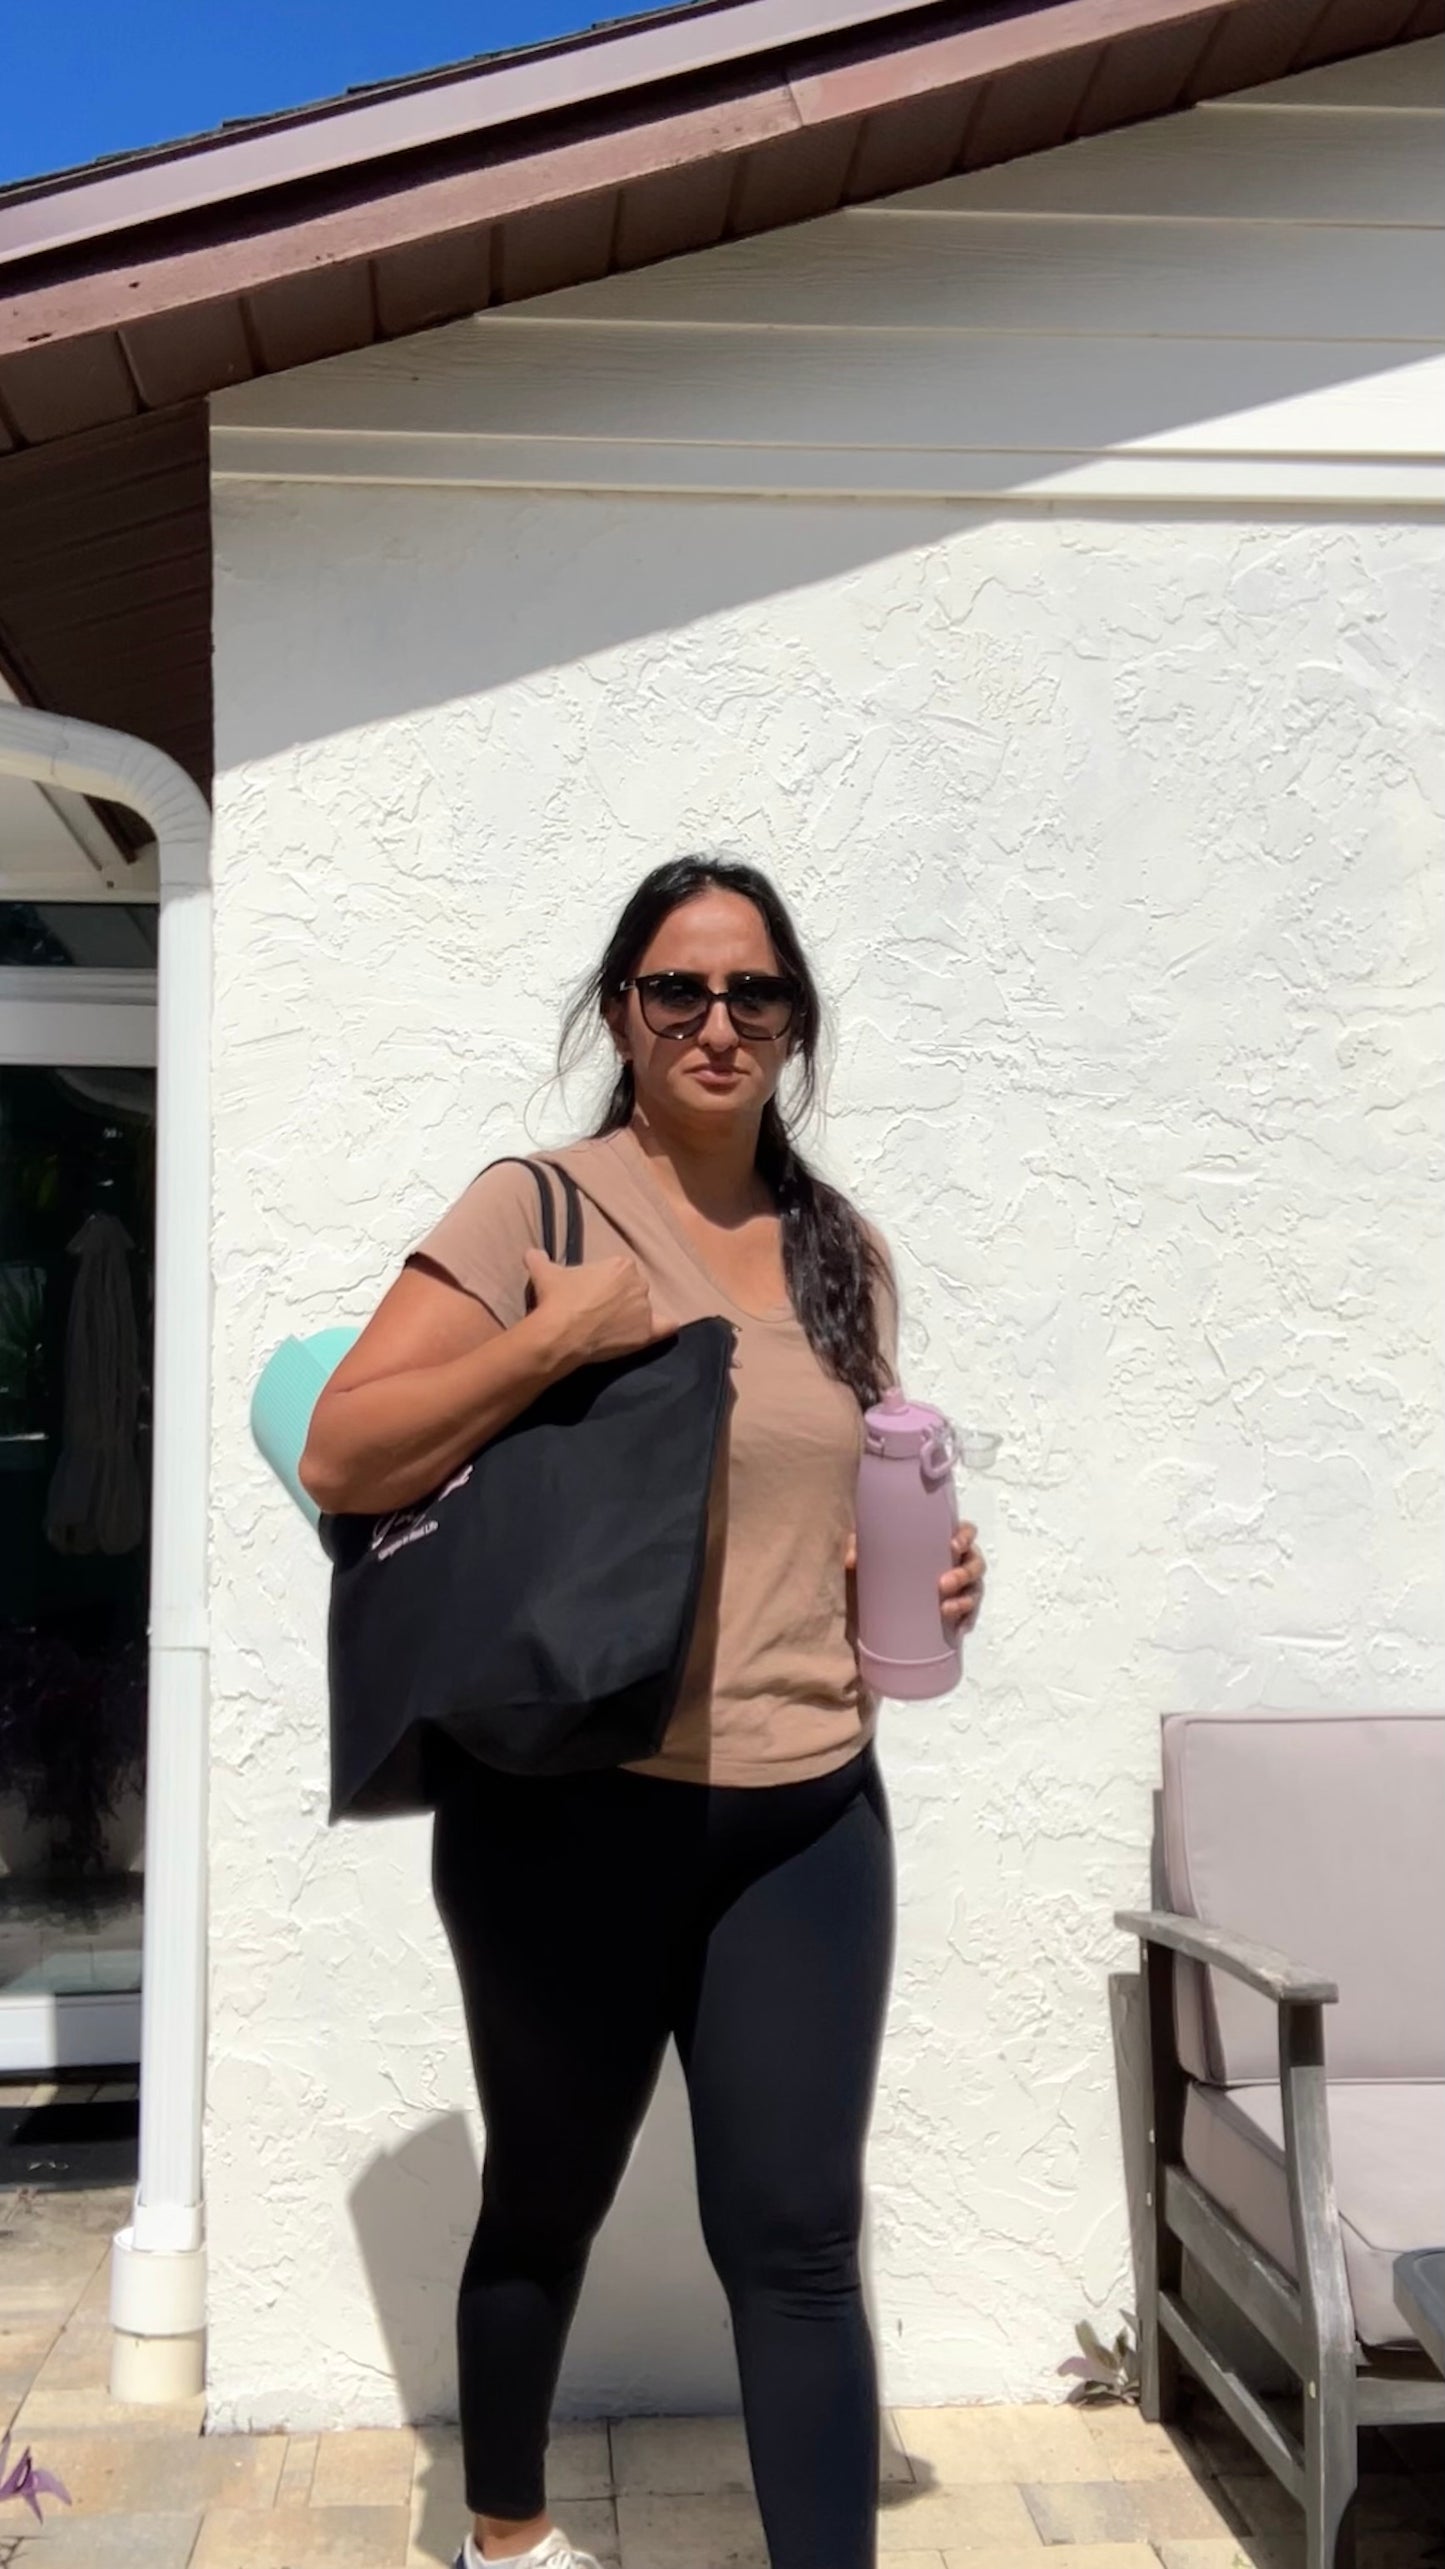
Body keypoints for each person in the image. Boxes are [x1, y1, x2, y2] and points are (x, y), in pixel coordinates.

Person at [299, 857, 987, 2569]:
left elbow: (794, 1496)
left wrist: (917, 1575)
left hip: (806, 1803)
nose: (715, 1022)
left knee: (798, 2236)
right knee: (546, 2201)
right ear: (621, 1010)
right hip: (568, 1805)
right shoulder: (532, 1210)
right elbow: (347, 1452)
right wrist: (553, 1342)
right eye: (675, 989)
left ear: (793, 1023)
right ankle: (510, 2536)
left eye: (753, 992)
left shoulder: (845, 1251)